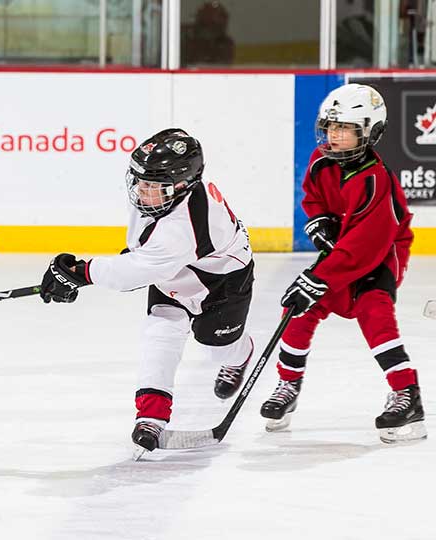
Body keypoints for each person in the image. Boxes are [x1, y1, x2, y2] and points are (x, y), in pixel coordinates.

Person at [39, 128, 255, 459]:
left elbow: (134, 274)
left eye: (153, 186)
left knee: (217, 347)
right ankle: (151, 416)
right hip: (175, 272)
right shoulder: (162, 199)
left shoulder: (186, 225)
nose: (143, 192)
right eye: (140, 182)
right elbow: (142, 256)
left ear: (183, 186)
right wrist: (81, 273)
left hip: (222, 282)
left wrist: (81, 273)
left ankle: (240, 353)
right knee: (161, 335)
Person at [264, 83, 425, 443]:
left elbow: (365, 247)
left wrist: (319, 277)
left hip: (379, 258)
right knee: (297, 310)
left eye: (344, 130)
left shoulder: (373, 179)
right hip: (341, 256)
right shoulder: (322, 160)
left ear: (370, 133)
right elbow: (313, 197)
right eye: (331, 127)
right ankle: (288, 386)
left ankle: (407, 394)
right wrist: (319, 219)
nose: (334, 136)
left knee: (375, 318)